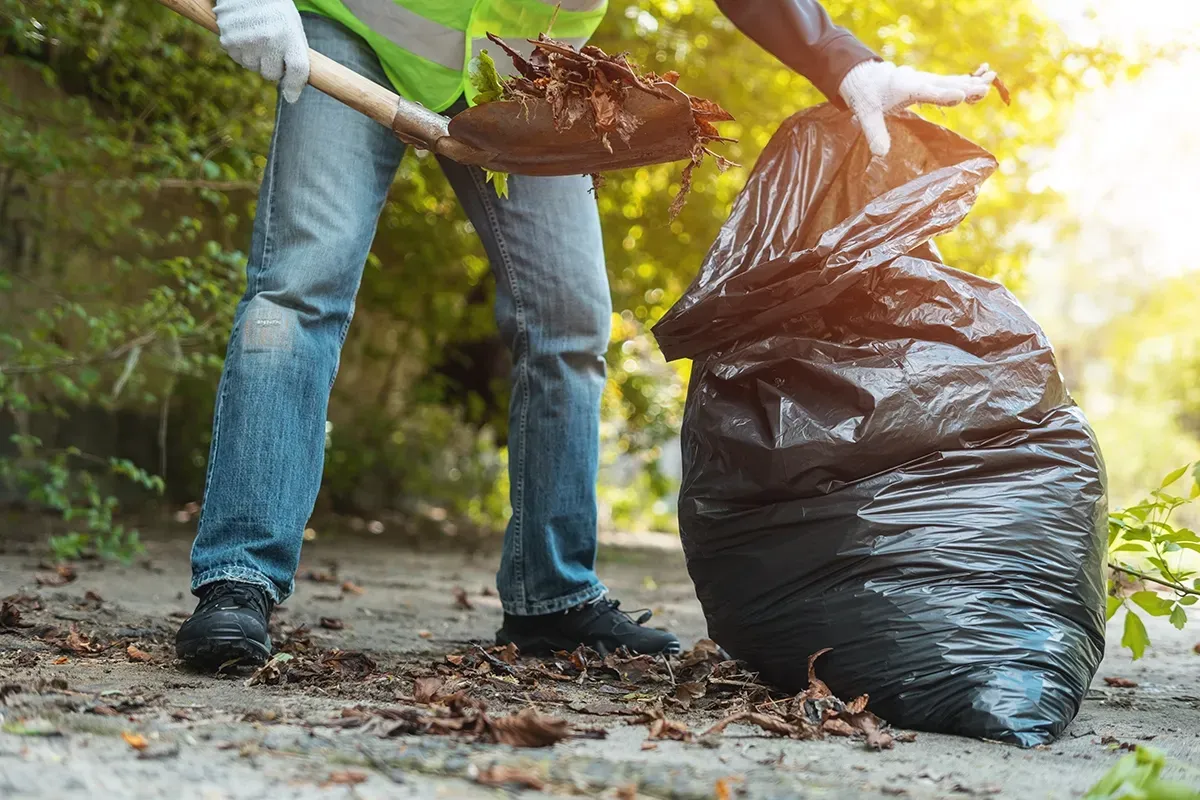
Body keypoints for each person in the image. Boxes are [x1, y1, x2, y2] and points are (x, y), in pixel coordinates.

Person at [174, 0, 994, 668]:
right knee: (300, 289)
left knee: (570, 322)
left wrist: (847, 63)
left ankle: (551, 596)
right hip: (356, 29)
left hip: (528, 71)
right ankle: (239, 578)